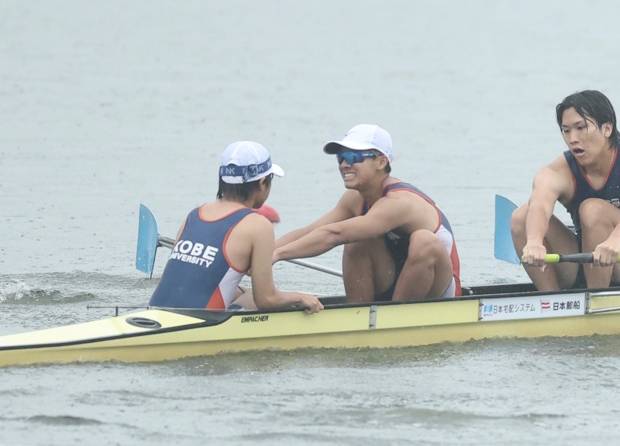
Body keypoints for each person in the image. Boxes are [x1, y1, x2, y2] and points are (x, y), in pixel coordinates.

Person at [272, 124, 462, 303]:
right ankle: (358, 315)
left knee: (423, 240)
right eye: (341, 157)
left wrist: (278, 254)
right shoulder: (354, 199)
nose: (344, 164)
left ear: (381, 161)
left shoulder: (400, 202)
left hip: (439, 291)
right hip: (395, 278)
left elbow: (334, 234)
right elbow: (310, 231)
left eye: (353, 157)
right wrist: (265, 253)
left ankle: (394, 319)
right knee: (357, 240)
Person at [510, 91, 620, 293]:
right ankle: (550, 300)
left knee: (592, 209)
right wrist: (534, 242)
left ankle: (595, 300)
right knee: (521, 216)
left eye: (581, 128)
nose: (573, 139)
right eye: (566, 131)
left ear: (607, 128)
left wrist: (615, 239)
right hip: (591, 263)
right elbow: (539, 205)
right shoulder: (556, 172)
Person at [150, 142, 323, 314]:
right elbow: (266, 300)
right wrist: (300, 297)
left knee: (243, 293)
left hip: (153, 312)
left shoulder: (195, 214)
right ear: (262, 182)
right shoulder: (258, 225)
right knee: (253, 297)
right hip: (199, 323)